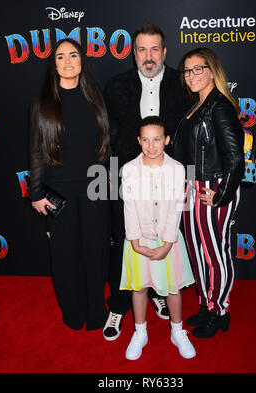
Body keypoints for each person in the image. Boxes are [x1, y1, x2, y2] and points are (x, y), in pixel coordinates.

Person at [103, 22, 190, 341]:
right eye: (142, 49)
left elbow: (189, 133)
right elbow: (106, 134)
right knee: (125, 238)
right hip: (128, 178)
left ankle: (156, 292)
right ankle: (119, 303)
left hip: (169, 175)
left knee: (165, 234)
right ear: (133, 54)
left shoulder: (182, 85)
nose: (148, 56)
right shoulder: (115, 86)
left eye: (155, 49)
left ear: (165, 52)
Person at [29, 38, 110, 331]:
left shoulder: (95, 98)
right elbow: (36, 150)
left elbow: (106, 144)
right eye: (60, 56)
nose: (67, 61)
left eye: (73, 55)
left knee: (95, 252)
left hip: (95, 189)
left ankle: (96, 311)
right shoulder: (42, 105)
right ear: (54, 65)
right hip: (58, 192)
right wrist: (36, 193)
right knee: (65, 256)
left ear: (81, 61)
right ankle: (73, 312)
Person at [172, 47, 244, 338]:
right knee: (198, 254)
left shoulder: (220, 107)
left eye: (198, 69)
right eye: (187, 71)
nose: (191, 76)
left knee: (215, 255)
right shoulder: (195, 106)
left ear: (212, 70)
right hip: (193, 189)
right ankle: (206, 304)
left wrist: (221, 195)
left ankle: (220, 311)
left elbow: (235, 157)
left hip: (213, 189)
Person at [120, 115, 195, 360]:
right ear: (139, 141)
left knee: (172, 288)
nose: (151, 146)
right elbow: (129, 206)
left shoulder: (176, 169)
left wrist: (167, 242)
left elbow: (176, 207)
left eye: (157, 139)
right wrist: (134, 241)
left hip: (168, 240)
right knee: (139, 287)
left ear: (167, 140)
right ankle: (140, 331)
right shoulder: (130, 169)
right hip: (138, 239)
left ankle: (177, 330)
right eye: (146, 140)